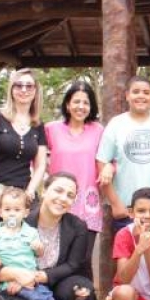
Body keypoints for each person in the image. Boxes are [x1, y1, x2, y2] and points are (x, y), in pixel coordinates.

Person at [0, 68, 48, 252]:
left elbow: (40, 165)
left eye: (29, 85)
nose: (24, 90)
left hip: (24, 195)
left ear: (36, 91)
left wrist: (30, 191)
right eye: (19, 85)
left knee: (26, 248)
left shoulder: (38, 125)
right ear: (11, 89)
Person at [97, 75, 150, 232]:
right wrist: (115, 203)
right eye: (136, 92)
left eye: (146, 92)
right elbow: (102, 161)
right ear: (127, 96)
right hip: (127, 205)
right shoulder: (116, 124)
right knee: (128, 254)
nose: (141, 96)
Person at [44, 80, 103, 279]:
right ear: (67, 104)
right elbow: (38, 162)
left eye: (85, 103)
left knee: (83, 259)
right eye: (76, 101)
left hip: (88, 204)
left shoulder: (98, 131)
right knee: (57, 258)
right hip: (57, 202)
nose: (80, 107)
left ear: (91, 106)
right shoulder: (51, 129)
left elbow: (108, 161)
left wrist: (110, 169)